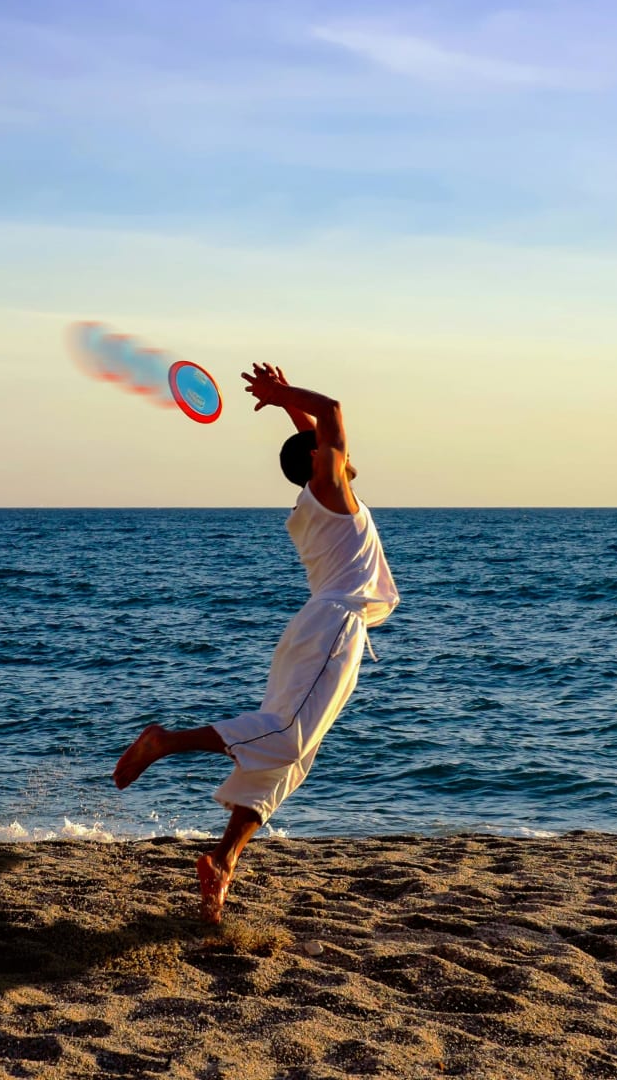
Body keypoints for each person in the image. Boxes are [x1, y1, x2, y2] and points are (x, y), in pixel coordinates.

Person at [113, 362, 400, 923]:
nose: (342, 453)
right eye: (329, 451)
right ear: (319, 462)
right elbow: (332, 412)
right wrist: (281, 392)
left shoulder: (325, 498)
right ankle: (165, 742)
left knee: (291, 758)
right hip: (332, 627)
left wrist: (286, 405)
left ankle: (222, 861)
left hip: (324, 629)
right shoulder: (329, 491)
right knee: (288, 738)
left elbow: (318, 432)